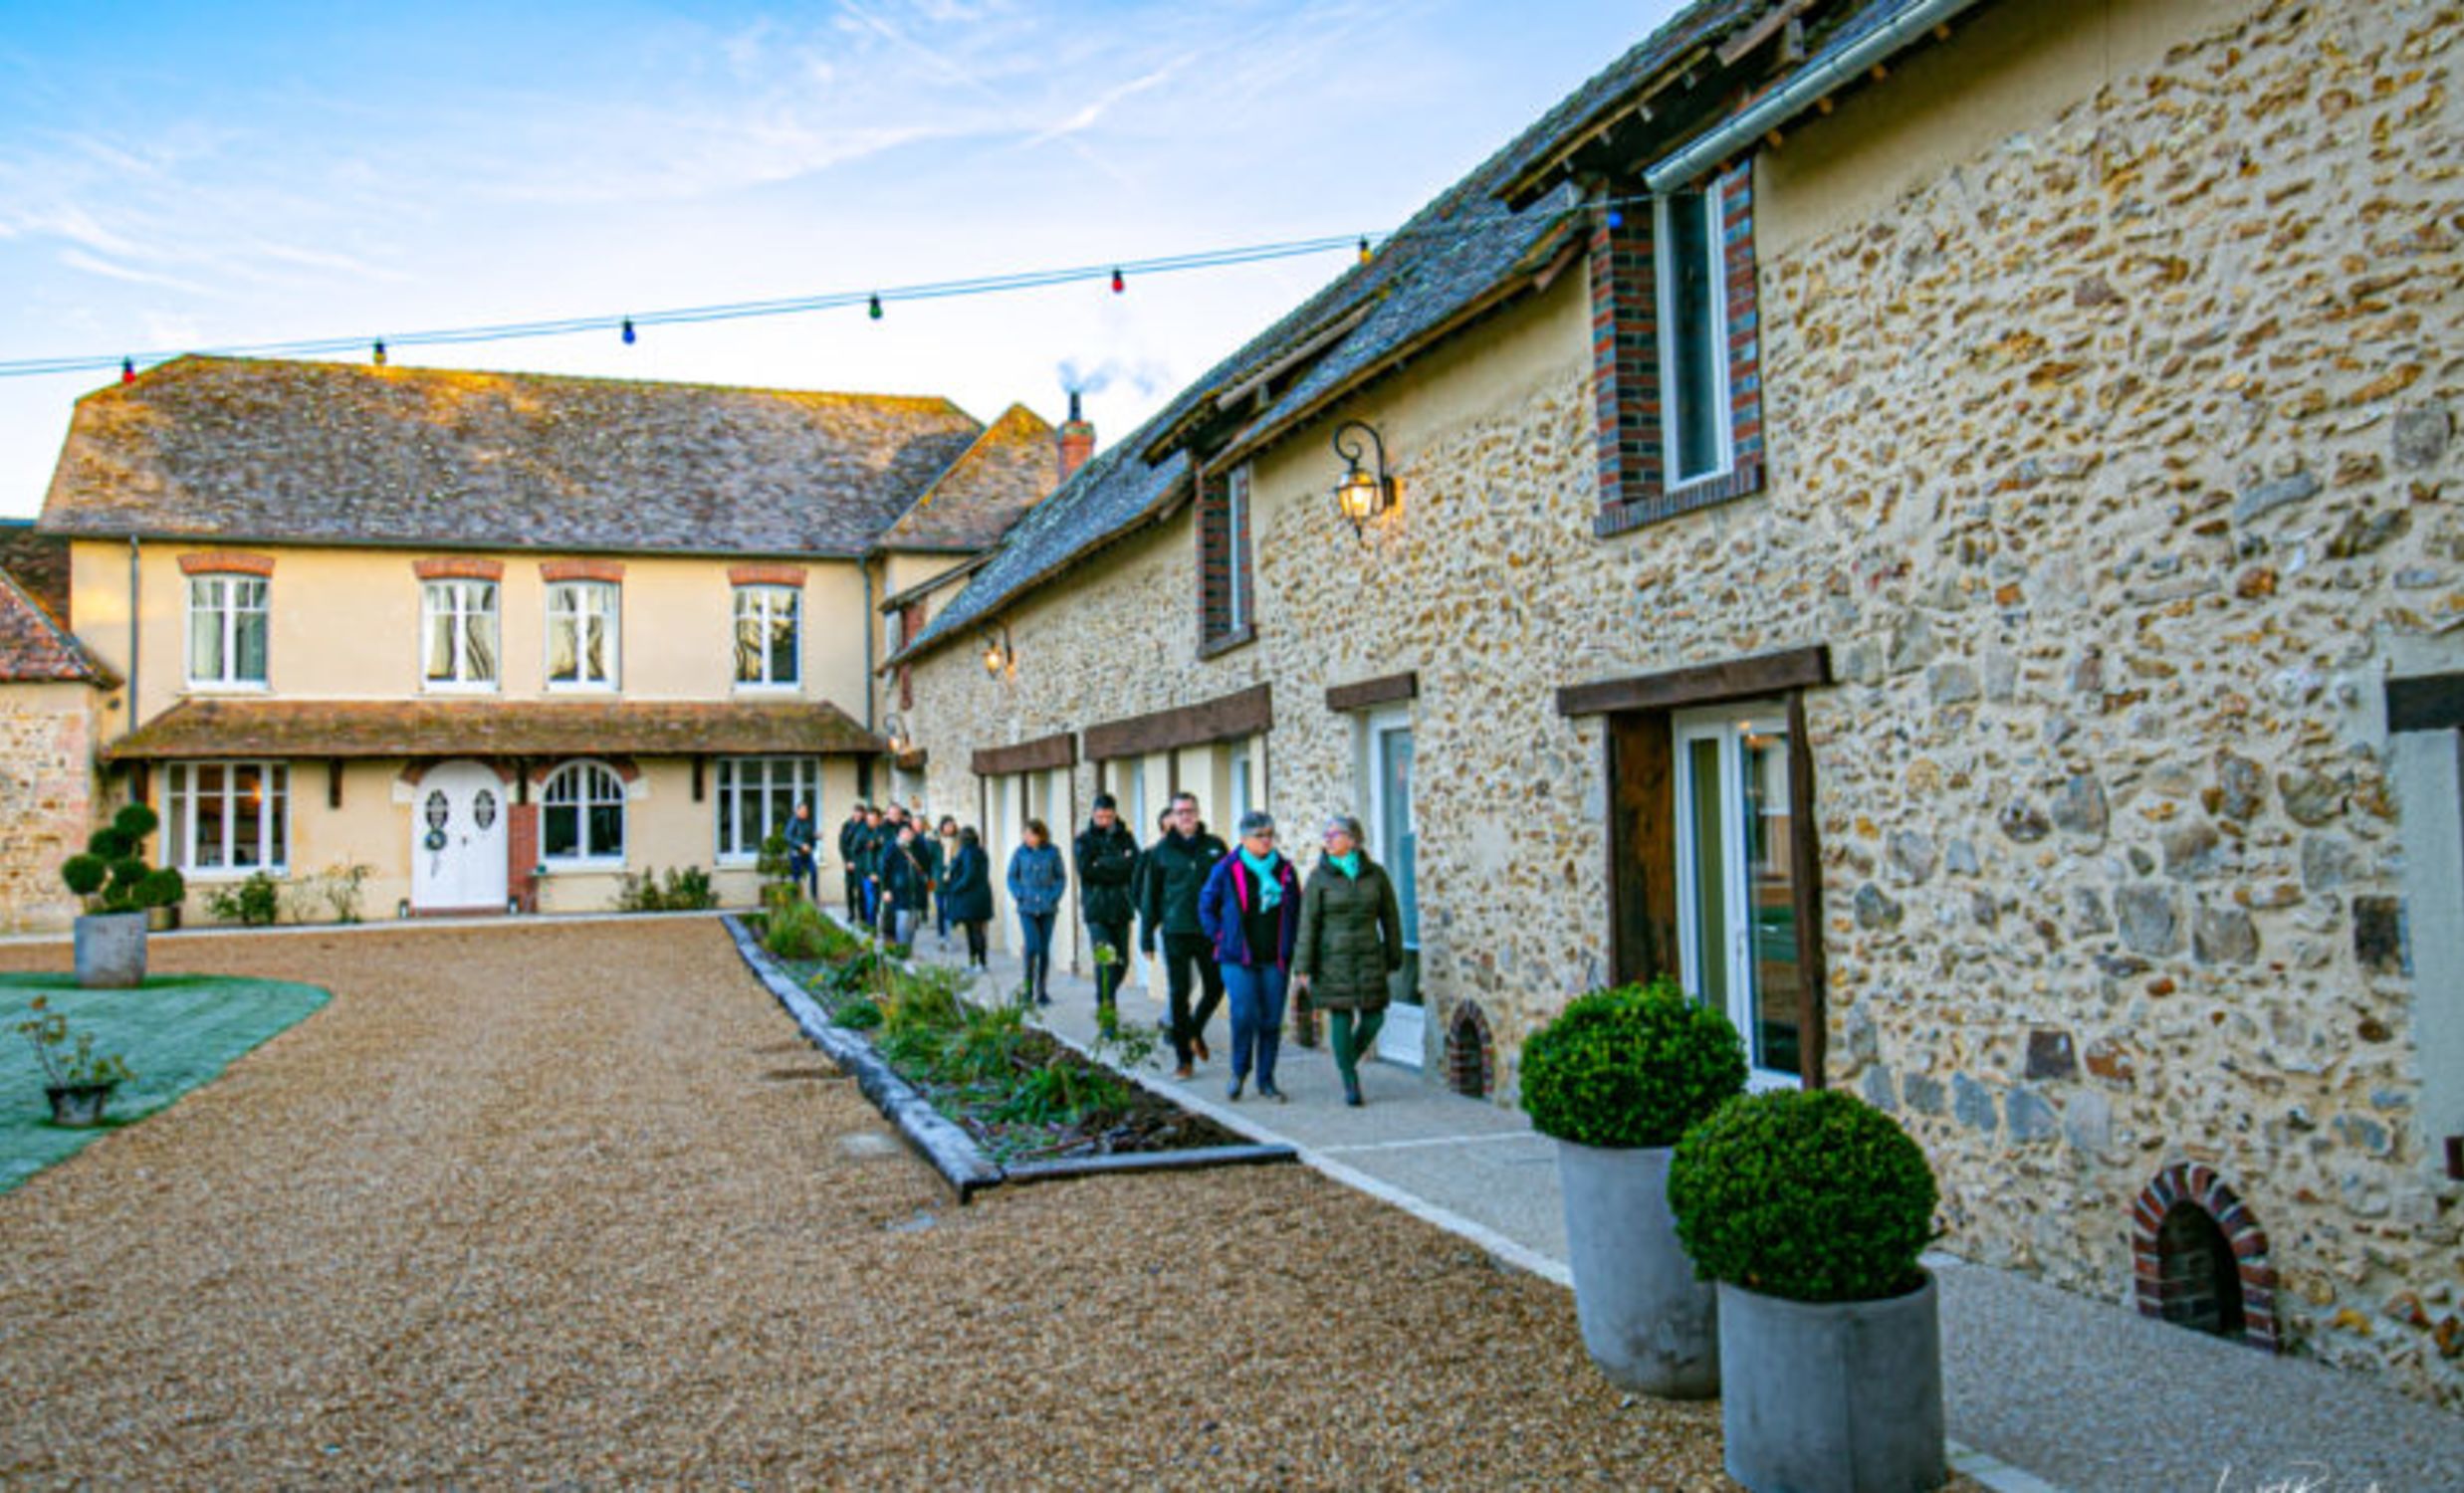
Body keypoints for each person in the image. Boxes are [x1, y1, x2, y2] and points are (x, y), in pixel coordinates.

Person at [1293, 814, 1405, 1108]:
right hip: (1333, 958)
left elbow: (1390, 918)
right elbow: (1307, 923)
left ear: (1353, 840)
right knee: (1341, 1015)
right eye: (1326, 835)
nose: (1328, 840)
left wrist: (1394, 954)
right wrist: (1303, 966)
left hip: (1369, 955)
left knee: (1374, 1017)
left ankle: (1347, 1061)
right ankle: (1350, 1080)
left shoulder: (1376, 875)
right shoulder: (1319, 878)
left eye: (1335, 834)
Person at [1199, 809, 1302, 1102]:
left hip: (1274, 958)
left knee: (1271, 1020)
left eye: (1270, 835)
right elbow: (1206, 906)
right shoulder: (1226, 868)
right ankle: (1239, 1072)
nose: (1267, 841)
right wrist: (1221, 937)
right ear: (1243, 839)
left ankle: (1266, 1080)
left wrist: (1292, 946)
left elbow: (1296, 912)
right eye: (1260, 836)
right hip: (1237, 958)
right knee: (1244, 1015)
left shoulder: (1285, 870)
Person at [1140, 792, 1228, 1080]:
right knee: (1179, 996)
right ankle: (1183, 1061)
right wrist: (1146, 937)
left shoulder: (1215, 847)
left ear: (1197, 813)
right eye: (1180, 812)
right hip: (1175, 931)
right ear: (1173, 817)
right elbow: (1150, 895)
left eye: (1190, 811)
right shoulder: (1161, 851)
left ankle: (1194, 1031)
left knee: (1216, 986)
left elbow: (1229, 889)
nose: (1186, 816)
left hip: (1208, 930)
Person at [1073, 793, 1139, 1032]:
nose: (1104, 821)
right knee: (1105, 962)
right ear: (1093, 814)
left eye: (1108, 817)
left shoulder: (1126, 837)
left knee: (1122, 962)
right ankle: (1107, 1015)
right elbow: (1086, 871)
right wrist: (1118, 863)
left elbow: (1134, 866)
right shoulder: (1084, 840)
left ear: (1114, 815)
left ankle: (1103, 996)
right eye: (1100, 817)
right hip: (1097, 911)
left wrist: (1103, 863)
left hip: (1121, 908)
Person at [1008, 818, 1067, 1007]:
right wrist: (1019, 894)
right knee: (1032, 946)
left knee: (1043, 949)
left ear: (1040, 835)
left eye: (1030, 834)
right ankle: (1027, 990)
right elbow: (1012, 876)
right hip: (1027, 907)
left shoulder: (1053, 852)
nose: (1026, 837)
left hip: (1047, 907)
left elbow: (1061, 877)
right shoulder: (1019, 852)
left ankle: (1041, 991)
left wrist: (1053, 896)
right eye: (1024, 834)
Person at [943, 827, 994, 967]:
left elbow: (968, 875)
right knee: (976, 930)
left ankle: (978, 963)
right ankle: (976, 962)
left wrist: (954, 888)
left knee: (974, 931)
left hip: (971, 897)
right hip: (981, 895)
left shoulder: (967, 852)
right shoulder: (980, 851)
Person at [880, 820, 933, 948]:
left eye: (909, 832)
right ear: (899, 834)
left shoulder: (919, 847)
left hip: (916, 891)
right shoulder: (892, 848)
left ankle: (908, 947)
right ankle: (903, 948)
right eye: (904, 832)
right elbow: (884, 869)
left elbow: (926, 866)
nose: (907, 835)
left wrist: (927, 883)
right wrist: (886, 889)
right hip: (899, 891)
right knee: (902, 920)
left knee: (912, 923)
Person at [784, 800, 820, 904]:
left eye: (806, 811)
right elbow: (788, 837)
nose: (805, 812)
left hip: (807, 854)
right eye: (803, 811)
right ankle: (795, 900)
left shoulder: (808, 822)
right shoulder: (793, 822)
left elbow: (809, 836)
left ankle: (814, 897)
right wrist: (801, 845)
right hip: (796, 854)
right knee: (796, 878)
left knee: (814, 872)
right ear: (797, 811)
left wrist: (815, 836)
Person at [934, 816, 962, 948]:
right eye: (947, 825)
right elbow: (929, 860)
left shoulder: (958, 841)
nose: (950, 828)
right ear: (942, 827)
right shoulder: (934, 841)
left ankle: (948, 936)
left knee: (950, 908)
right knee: (940, 908)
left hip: (953, 878)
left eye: (952, 825)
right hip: (937, 879)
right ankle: (941, 936)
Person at [837, 804, 869, 920]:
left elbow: (866, 846)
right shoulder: (847, 825)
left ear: (863, 814)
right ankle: (851, 913)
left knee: (861, 889)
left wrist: (858, 862)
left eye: (860, 812)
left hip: (861, 862)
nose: (858, 815)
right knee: (849, 888)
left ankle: (862, 915)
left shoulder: (865, 826)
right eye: (856, 812)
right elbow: (842, 844)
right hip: (849, 861)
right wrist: (847, 861)